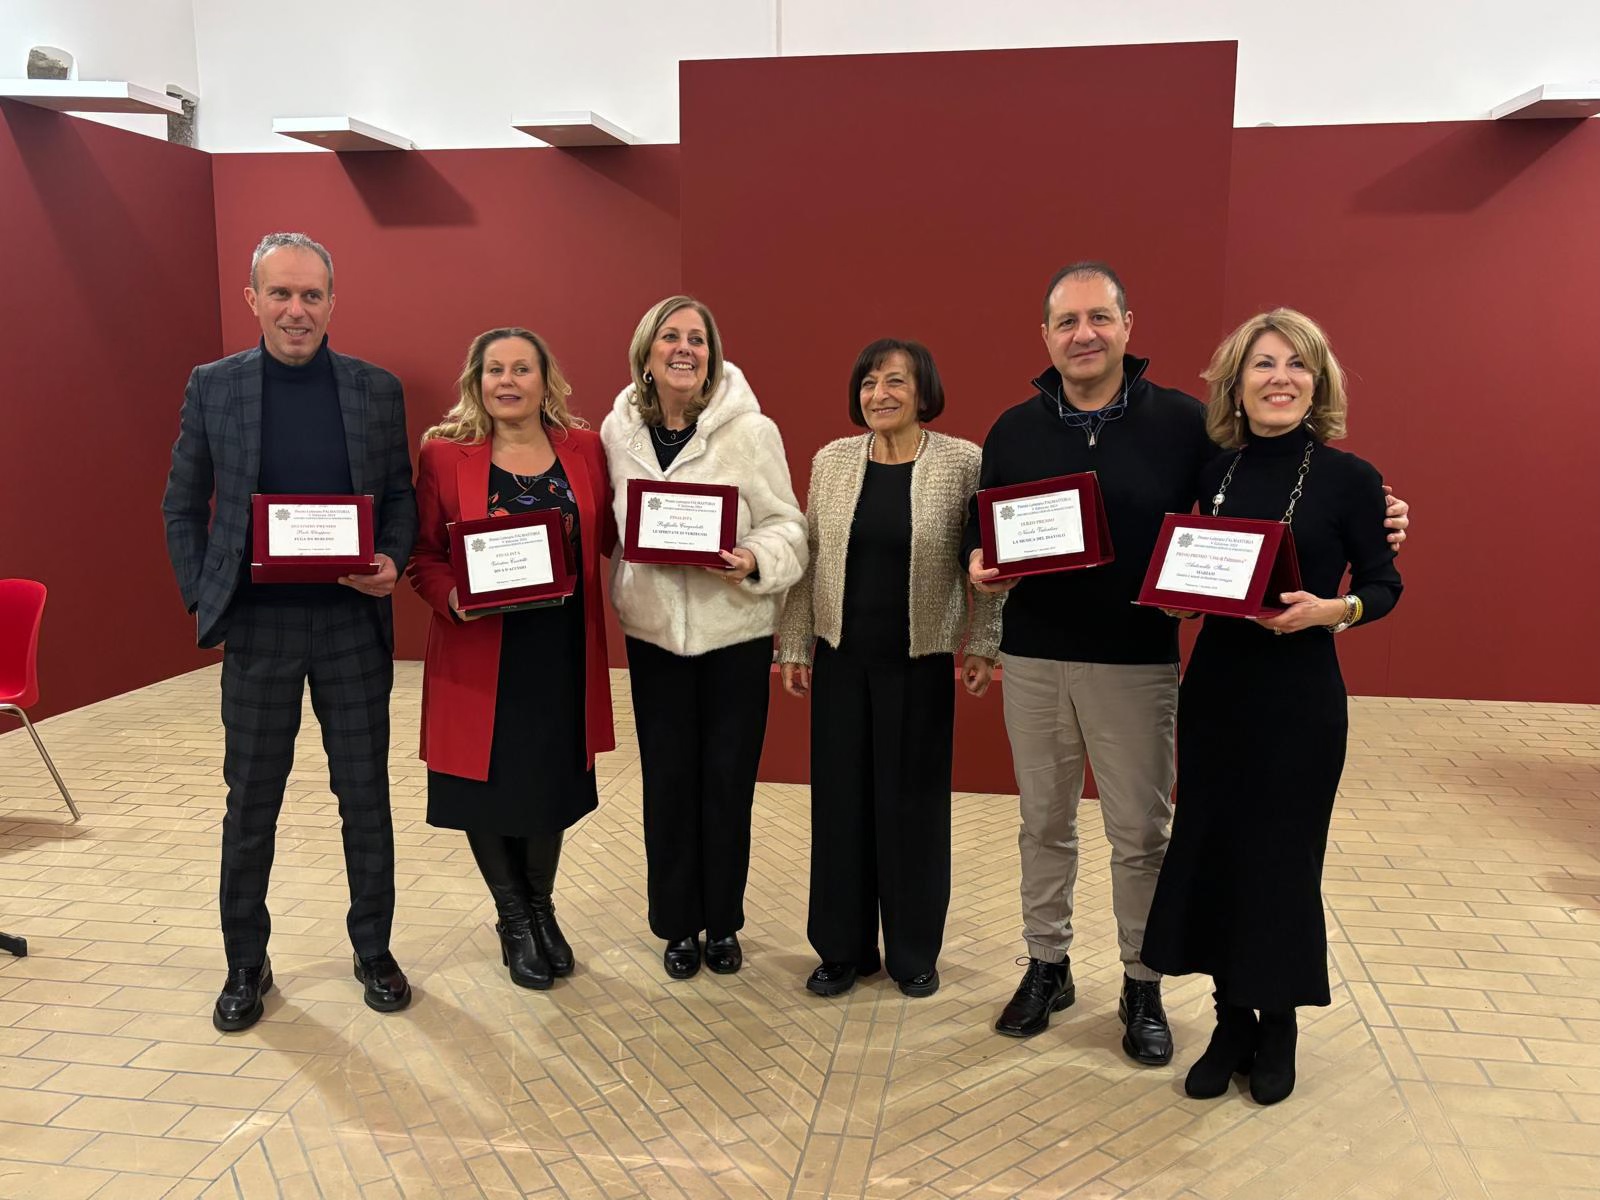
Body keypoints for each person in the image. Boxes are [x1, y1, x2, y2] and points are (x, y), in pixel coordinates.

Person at [960, 262, 1410, 1064]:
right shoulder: (1012, 429)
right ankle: (1047, 966)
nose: (1084, 334)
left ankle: (1143, 982)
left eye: (1100, 317)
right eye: (1067, 321)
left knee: (1140, 834)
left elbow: (1269, 485)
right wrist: (976, 565)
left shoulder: (1185, 424)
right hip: (1034, 657)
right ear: (1046, 336)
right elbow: (982, 526)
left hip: (1137, 662)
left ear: (1128, 327)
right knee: (1042, 825)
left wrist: (1381, 514)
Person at [1140, 309, 1401, 1104]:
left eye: (1296, 364)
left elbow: (1384, 584)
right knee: (1215, 852)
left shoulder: (1352, 479)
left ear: (1317, 383)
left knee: (1282, 862)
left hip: (1300, 702)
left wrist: (1333, 611)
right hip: (1217, 692)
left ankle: (1278, 1023)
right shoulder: (1215, 474)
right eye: (1262, 364)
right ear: (1236, 383)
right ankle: (1231, 1023)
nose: (1279, 378)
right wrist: (1178, 597)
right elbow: (1199, 567)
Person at [162, 232, 417, 1032]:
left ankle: (373, 949)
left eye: (311, 295)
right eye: (280, 293)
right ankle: (246, 962)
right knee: (251, 803)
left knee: (364, 797)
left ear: (332, 302)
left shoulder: (376, 390)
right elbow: (181, 505)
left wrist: (393, 558)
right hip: (259, 629)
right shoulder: (214, 386)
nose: (296, 310)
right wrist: (207, 598)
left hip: (351, 624)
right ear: (254, 300)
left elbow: (400, 498)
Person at [777, 338, 1002, 999]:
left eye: (896, 381)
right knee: (840, 808)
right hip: (841, 659)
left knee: (913, 811)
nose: (880, 394)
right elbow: (809, 556)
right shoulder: (832, 461)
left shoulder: (962, 462)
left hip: (919, 662)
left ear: (923, 390)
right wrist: (795, 644)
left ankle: (912, 950)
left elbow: (988, 557)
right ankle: (842, 949)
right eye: (869, 382)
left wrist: (984, 640)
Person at [601, 296, 807, 980]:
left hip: (733, 638)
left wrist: (753, 559)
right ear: (647, 353)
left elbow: (788, 526)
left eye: (697, 338)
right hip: (653, 639)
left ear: (712, 356)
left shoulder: (753, 432)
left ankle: (722, 922)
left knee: (726, 783)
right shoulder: (617, 432)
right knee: (666, 784)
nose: (684, 349)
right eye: (671, 336)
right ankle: (675, 925)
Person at [407, 328, 614, 990]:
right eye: (494, 369)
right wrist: (452, 599)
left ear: (546, 380)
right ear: (476, 380)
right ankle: (514, 918)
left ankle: (542, 907)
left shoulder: (585, 448)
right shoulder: (444, 455)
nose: (508, 380)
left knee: (548, 784)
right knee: (487, 786)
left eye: (522, 368)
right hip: (479, 647)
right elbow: (423, 554)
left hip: (560, 648)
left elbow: (613, 532)